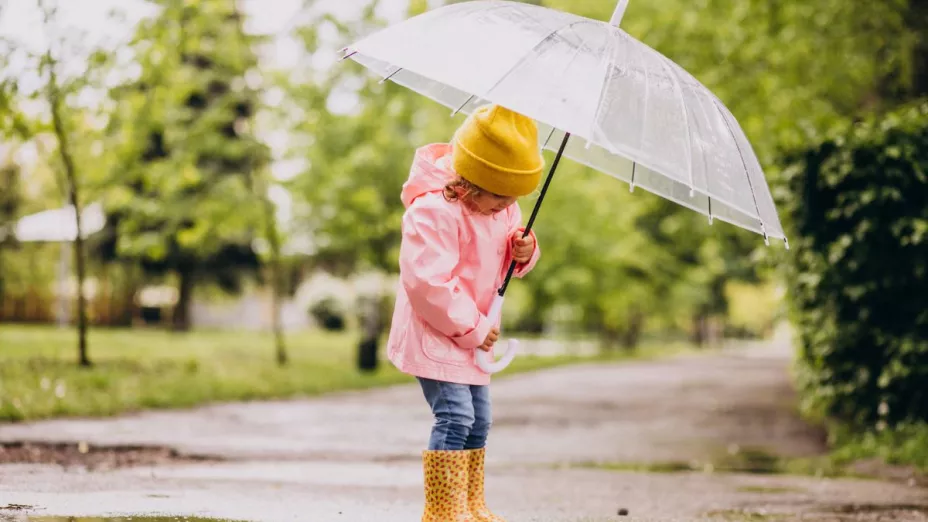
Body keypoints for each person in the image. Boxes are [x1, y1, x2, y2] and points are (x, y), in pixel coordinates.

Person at [387, 104, 543, 521]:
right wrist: (474, 327)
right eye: (499, 196)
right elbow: (427, 282)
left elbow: (506, 255)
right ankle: (442, 513)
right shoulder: (432, 211)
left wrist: (524, 251)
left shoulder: (501, 206)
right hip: (438, 331)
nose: (507, 206)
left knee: (479, 422)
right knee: (456, 416)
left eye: (514, 199)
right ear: (469, 179)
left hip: (474, 334)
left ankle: (469, 506)